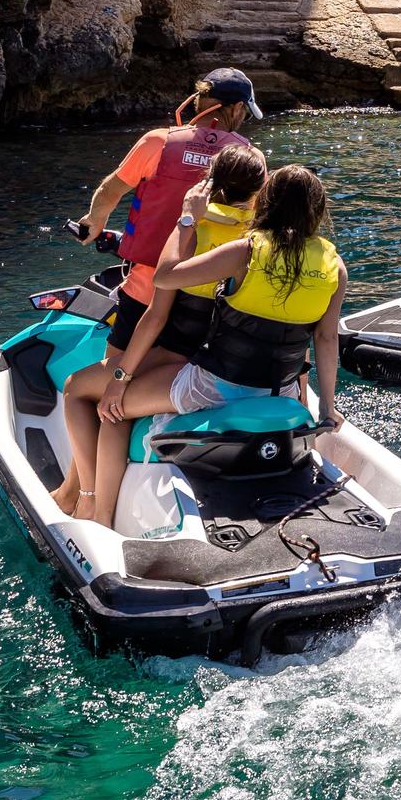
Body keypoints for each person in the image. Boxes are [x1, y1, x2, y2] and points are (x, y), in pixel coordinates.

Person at [50, 69, 260, 515]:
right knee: (117, 384)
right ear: (234, 110)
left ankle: (86, 497)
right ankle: (75, 491)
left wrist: (93, 225)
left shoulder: (158, 141)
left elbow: (111, 189)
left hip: (149, 290)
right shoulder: (246, 156)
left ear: (199, 102)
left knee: (103, 382)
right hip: (208, 305)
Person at [94, 165, 349, 523]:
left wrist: (186, 219)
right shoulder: (335, 267)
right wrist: (328, 408)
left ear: (267, 203)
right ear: (318, 212)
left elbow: (166, 277)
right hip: (281, 393)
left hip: (213, 389)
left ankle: (100, 515)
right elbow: (325, 338)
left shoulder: (245, 252)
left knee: (114, 408)